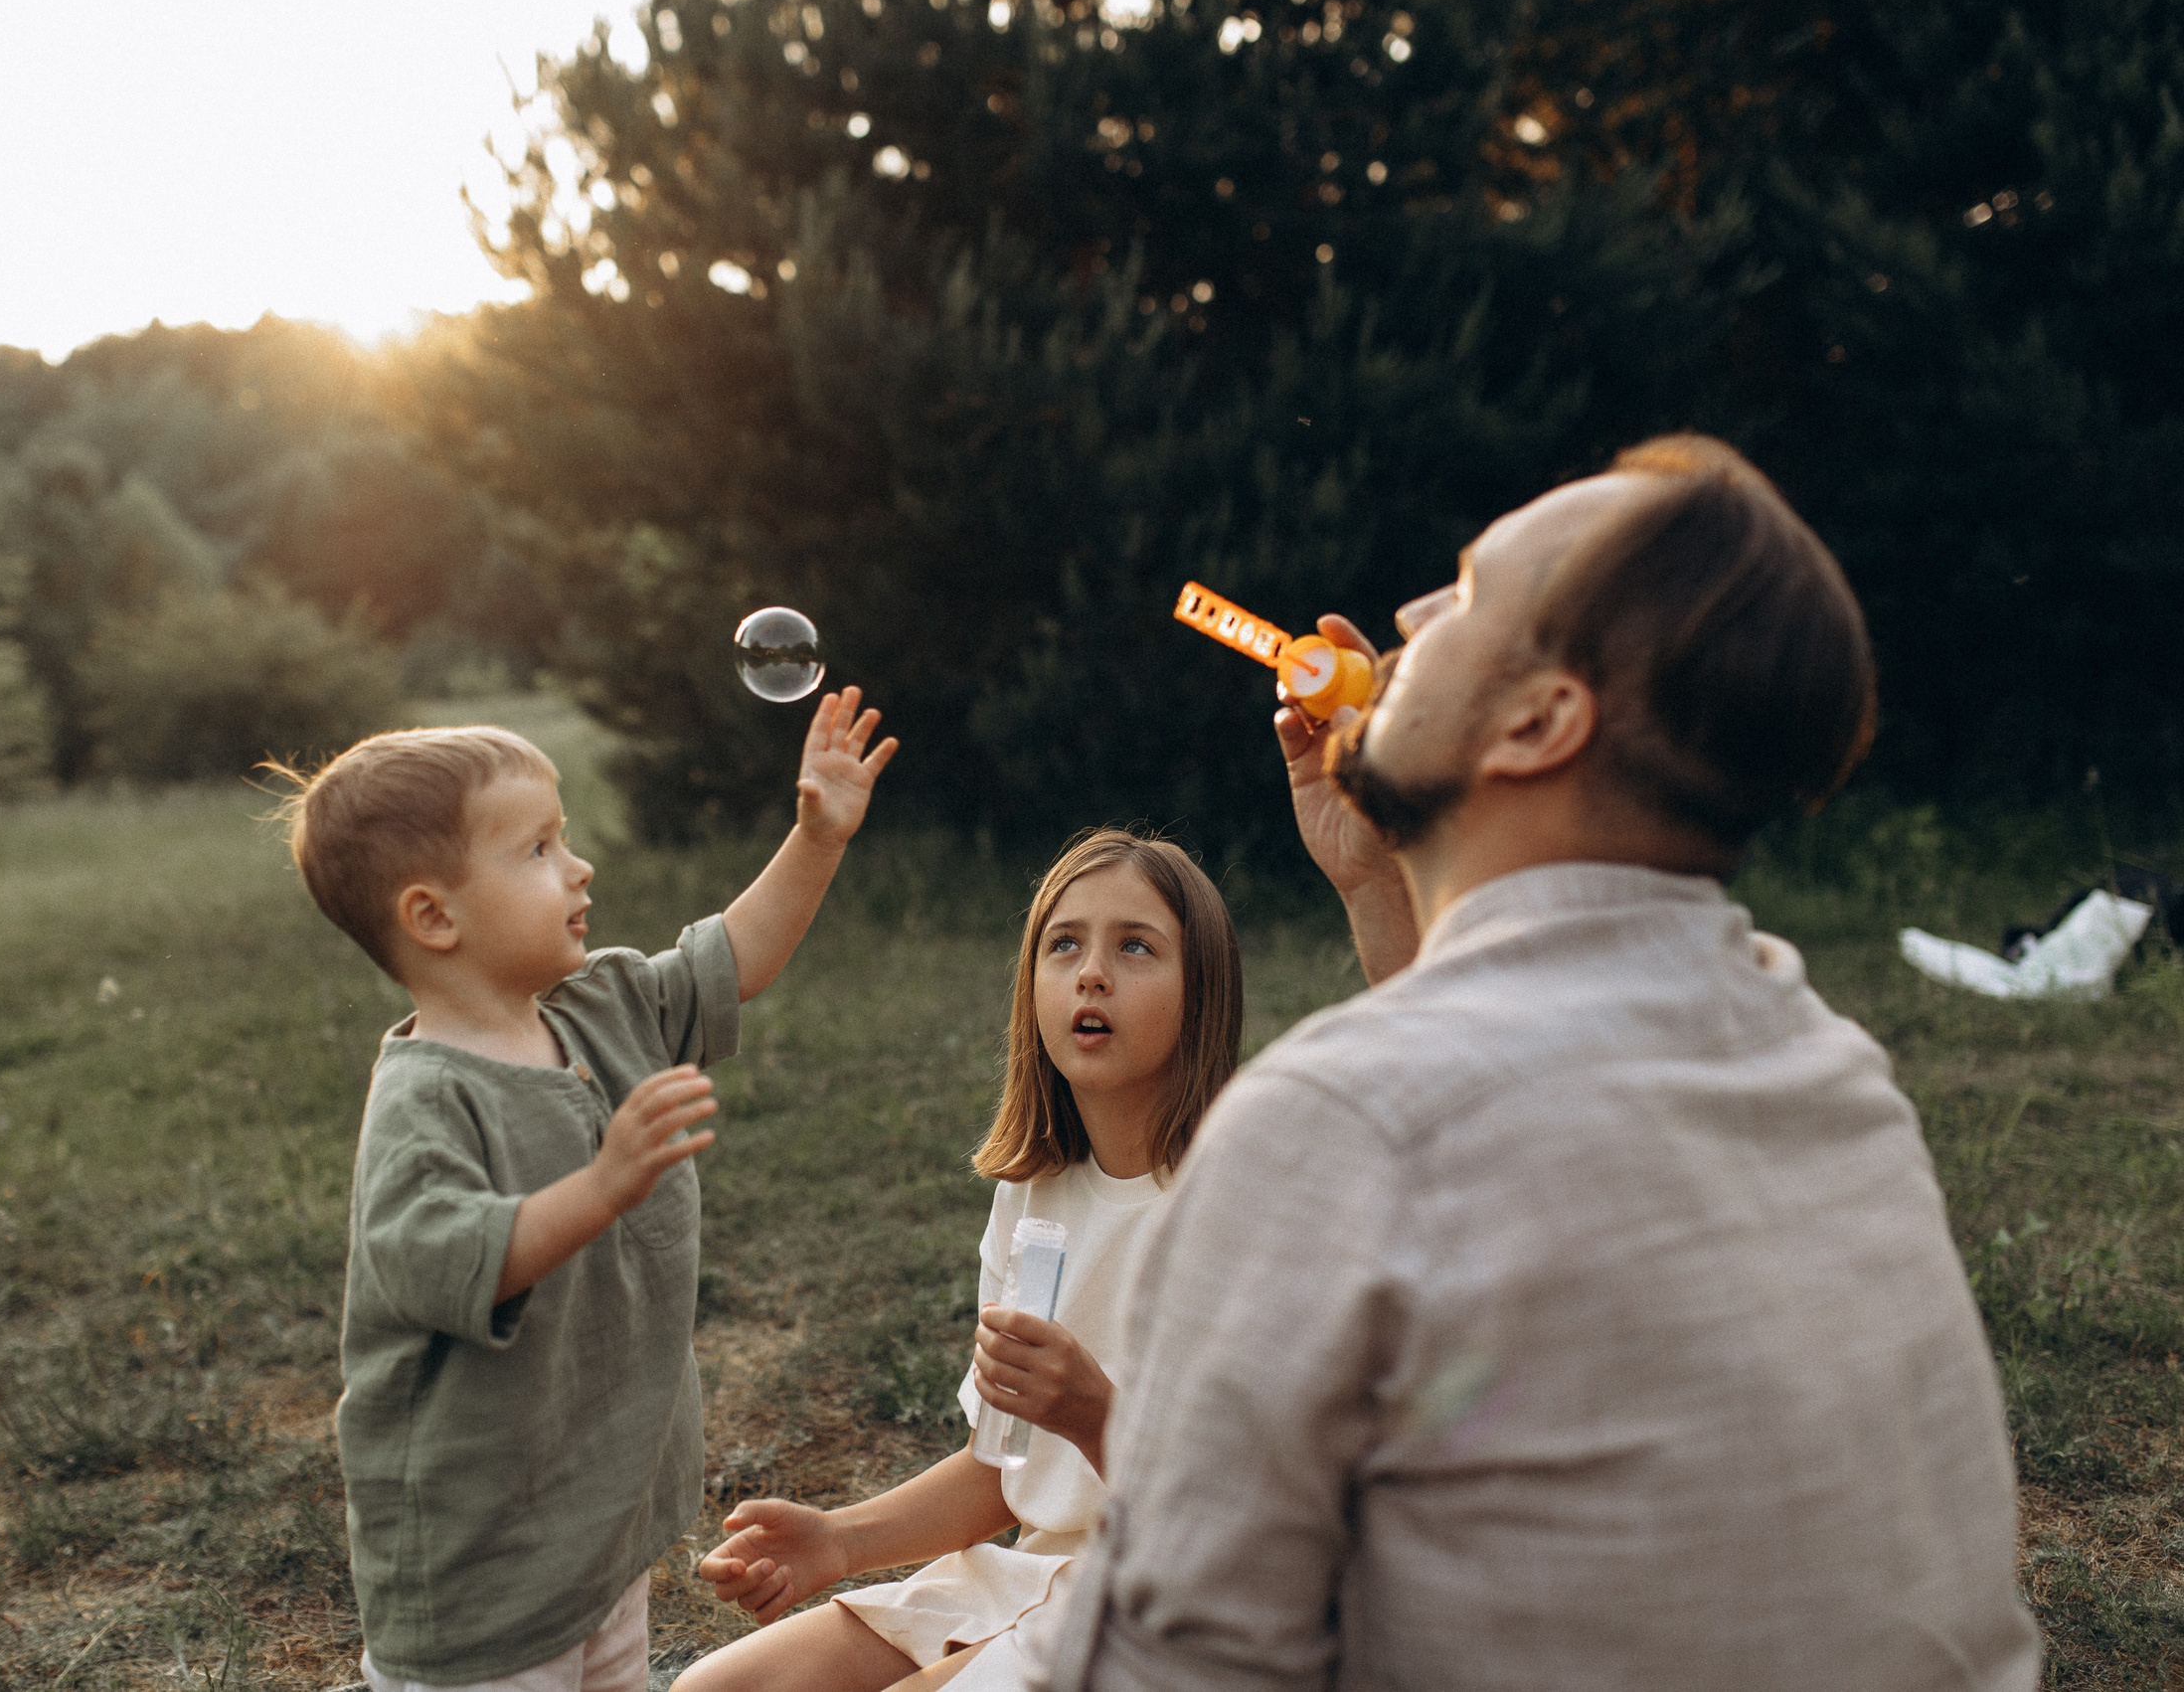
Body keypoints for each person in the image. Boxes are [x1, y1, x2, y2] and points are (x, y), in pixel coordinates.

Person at [1038, 434, 2041, 1690]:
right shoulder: (1829, 1067)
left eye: (1460, 593)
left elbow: (1163, 1671)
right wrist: (1385, 871)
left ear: (1538, 720)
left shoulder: (1327, 1126)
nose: (1401, 620)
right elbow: (1503, 1090)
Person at [276, 690, 897, 1692]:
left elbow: (733, 963)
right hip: (480, 1569)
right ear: (433, 916)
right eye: (537, 850)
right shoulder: (425, 1101)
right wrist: (602, 1185)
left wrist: (816, 837)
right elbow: (445, 1259)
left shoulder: (603, 1002)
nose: (579, 867)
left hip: (595, 1527)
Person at [673, 829, 1247, 1692]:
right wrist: (838, 1541)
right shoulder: (1035, 1191)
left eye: (1136, 945)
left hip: (1174, 1598)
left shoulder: (1239, 1201)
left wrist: (1093, 1413)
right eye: (1064, 944)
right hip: (1036, 1574)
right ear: (1033, 991)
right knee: (711, 1690)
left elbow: (1241, 1521)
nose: (1092, 972)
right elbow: (1000, 1467)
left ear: (1203, 993)